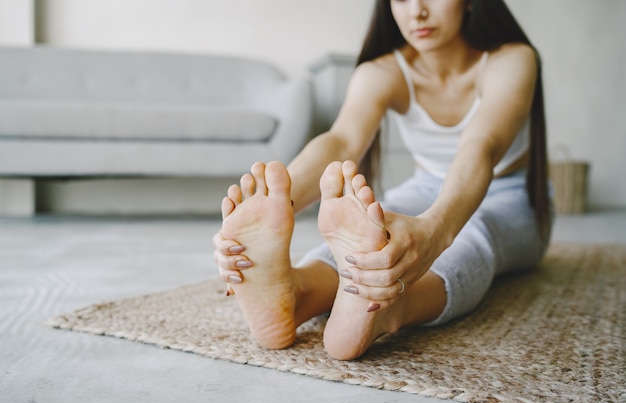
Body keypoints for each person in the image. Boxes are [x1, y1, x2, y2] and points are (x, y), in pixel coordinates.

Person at [212, 0, 552, 361]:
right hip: (424, 185)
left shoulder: (512, 59)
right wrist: (276, 199)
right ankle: (296, 292)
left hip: (509, 195)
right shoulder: (383, 70)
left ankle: (395, 306)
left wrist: (435, 231)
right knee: (379, 229)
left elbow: (480, 146)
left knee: (472, 232)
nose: (417, 11)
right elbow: (342, 140)